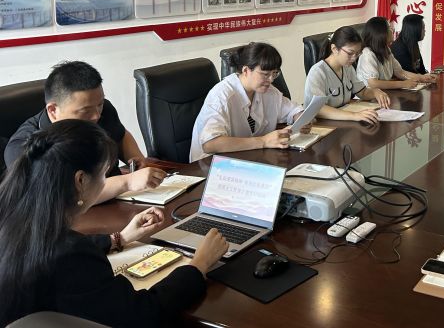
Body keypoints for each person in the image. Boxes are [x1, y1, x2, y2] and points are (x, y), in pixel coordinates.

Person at [0, 119, 229, 327]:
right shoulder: (70, 254)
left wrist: (119, 238)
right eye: (103, 175)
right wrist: (199, 265)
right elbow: (144, 314)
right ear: (80, 180)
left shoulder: (13, 220)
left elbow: (55, 253)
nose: (105, 182)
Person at [4, 61, 165, 203]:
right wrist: (128, 181)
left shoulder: (103, 111)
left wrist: (135, 159)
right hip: (71, 221)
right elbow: (64, 198)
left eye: (99, 104)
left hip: (121, 200)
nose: (96, 116)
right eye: (85, 111)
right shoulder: (23, 147)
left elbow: (121, 135)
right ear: (53, 110)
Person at [190, 42, 306, 162]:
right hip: (211, 164)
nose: (271, 80)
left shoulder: (268, 91)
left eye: (274, 73)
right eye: (265, 74)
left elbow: (294, 110)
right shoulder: (222, 95)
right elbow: (210, 144)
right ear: (246, 70)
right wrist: (263, 141)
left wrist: (301, 120)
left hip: (248, 159)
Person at [305, 25, 390, 123]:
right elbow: (318, 109)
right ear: (334, 49)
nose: (354, 58)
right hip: (323, 124)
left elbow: (362, 92)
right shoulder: (318, 72)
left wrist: (375, 92)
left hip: (343, 120)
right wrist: (355, 115)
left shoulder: (347, 67)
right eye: (350, 53)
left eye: (357, 54)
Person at [357, 16, 436, 90]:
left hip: (384, 93)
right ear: (380, 33)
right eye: (389, 28)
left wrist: (423, 78)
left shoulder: (386, 50)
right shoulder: (368, 54)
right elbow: (373, 83)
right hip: (369, 97)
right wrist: (403, 84)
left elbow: (400, 72)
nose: (392, 30)